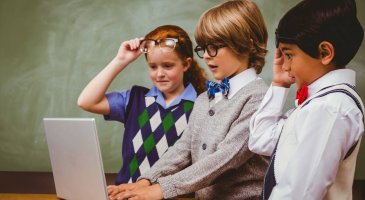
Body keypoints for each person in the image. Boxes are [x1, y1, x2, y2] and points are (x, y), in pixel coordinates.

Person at [107, 0, 269, 199]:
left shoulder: (259, 98)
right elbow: (183, 149)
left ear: (246, 44)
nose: (207, 56)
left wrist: (161, 189)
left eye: (215, 47)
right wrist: (145, 180)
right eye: (204, 48)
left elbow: (225, 159)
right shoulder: (205, 98)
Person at [248, 0, 364, 199]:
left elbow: (297, 194)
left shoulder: (329, 108)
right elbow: (260, 140)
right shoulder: (319, 104)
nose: (284, 66)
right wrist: (278, 84)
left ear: (324, 52)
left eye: (289, 55)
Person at [77, 25, 208, 185]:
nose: (159, 74)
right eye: (153, 66)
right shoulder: (134, 99)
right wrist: (121, 60)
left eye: (168, 66)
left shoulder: (202, 106)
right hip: (126, 194)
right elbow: (86, 101)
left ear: (186, 64)